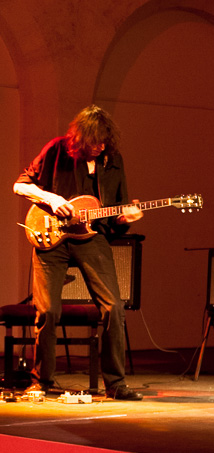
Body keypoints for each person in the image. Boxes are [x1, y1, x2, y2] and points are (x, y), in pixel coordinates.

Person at [13, 105, 144, 400]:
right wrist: (50, 197)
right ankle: (41, 381)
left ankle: (116, 384)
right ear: (81, 138)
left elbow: (115, 212)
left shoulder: (113, 161)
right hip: (50, 238)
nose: (99, 146)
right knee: (47, 311)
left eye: (104, 140)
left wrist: (125, 218)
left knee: (114, 307)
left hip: (91, 239)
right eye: (94, 141)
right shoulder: (57, 150)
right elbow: (20, 185)